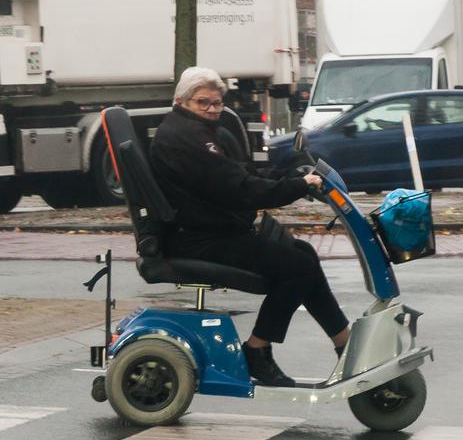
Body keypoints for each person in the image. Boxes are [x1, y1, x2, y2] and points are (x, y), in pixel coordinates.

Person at [147, 67, 351, 388]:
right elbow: (239, 189)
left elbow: (236, 176)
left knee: (303, 253)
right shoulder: (187, 138)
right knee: (296, 266)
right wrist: (297, 186)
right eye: (203, 103)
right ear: (181, 101)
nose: (212, 109)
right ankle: (257, 349)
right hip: (199, 238)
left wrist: (291, 176)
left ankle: (345, 342)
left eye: (216, 103)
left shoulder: (195, 130)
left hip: (212, 230)